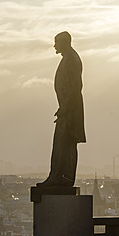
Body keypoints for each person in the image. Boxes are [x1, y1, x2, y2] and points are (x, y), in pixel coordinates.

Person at [38, 31, 85, 187]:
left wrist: (65, 107)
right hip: (68, 109)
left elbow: (76, 86)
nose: (54, 45)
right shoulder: (69, 58)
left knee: (63, 143)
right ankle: (62, 178)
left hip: (70, 110)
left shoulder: (71, 59)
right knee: (65, 143)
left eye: (56, 42)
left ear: (64, 42)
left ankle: (60, 178)